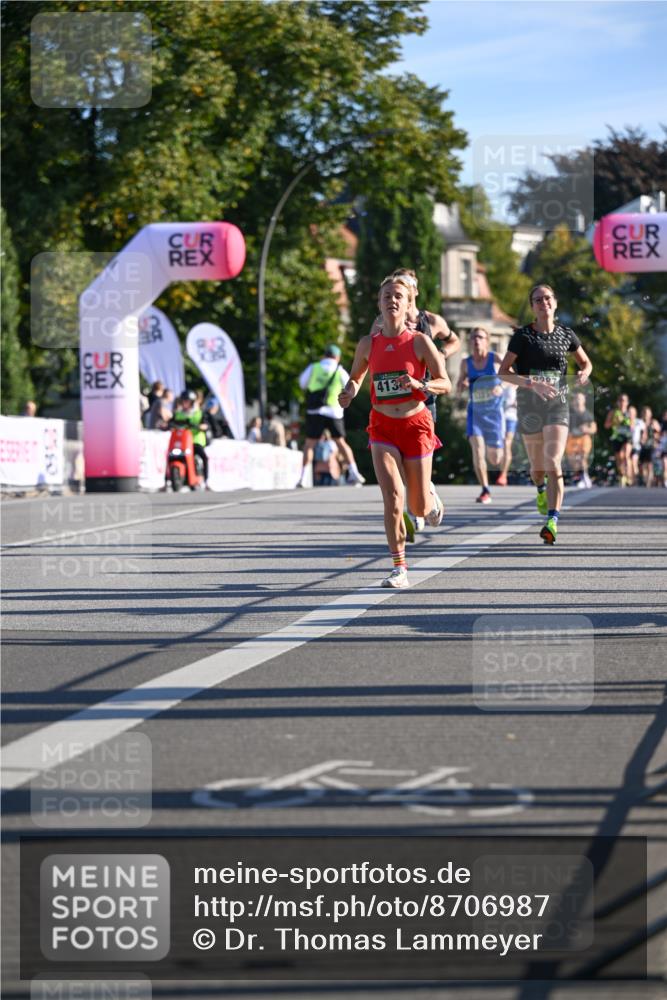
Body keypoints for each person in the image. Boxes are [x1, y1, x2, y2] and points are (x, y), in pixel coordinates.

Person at [339, 274, 451, 588]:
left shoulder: (419, 341)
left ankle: (429, 496)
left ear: (407, 304)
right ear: (379, 303)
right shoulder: (367, 343)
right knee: (392, 496)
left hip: (416, 425)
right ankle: (399, 567)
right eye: (387, 294)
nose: (392, 299)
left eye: (398, 296)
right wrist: (349, 391)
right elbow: (356, 377)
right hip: (382, 426)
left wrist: (422, 385)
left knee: (417, 507)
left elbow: (446, 383)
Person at [498, 283, 592, 545]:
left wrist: (585, 372)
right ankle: (540, 489)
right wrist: (532, 383)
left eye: (548, 298)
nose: (543, 303)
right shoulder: (523, 337)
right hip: (529, 405)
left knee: (552, 462)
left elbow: (585, 362)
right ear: (533, 307)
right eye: (538, 300)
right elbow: (503, 372)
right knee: (537, 469)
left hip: (557, 404)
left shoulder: (566, 334)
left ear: (555, 302)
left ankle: (552, 520)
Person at [370, 267, 460, 536]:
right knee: (395, 464)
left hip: (425, 396)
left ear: (415, 292)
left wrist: (440, 353)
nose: (397, 294)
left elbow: (454, 340)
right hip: (389, 405)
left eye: (407, 285)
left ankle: (421, 499)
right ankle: (413, 502)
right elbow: (374, 352)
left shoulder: (431, 321)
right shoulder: (382, 320)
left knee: (414, 455)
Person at [297, 344, 365, 487]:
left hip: (315, 410)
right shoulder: (339, 370)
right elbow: (349, 385)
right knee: (341, 442)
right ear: (337, 357)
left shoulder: (314, 367)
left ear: (325, 355)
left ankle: (303, 477)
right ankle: (354, 472)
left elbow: (302, 383)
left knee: (310, 444)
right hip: (334, 411)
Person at [457, 327, 505, 504]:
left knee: (495, 458)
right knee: (477, 451)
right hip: (475, 414)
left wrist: (502, 387)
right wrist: (462, 383)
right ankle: (485, 489)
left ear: (487, 340)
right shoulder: (466, 363)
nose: (476, 340)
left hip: (494, 416)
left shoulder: (496, 359)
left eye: (480, 337)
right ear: (470, 342)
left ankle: (500, 460)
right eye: (473, 337)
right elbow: (459, 385)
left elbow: (514, 379)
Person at [172, 389, 209, 485]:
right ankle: (167, 480)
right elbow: (171, 422)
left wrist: (200, 426)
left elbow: (205, 425)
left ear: (192, 402)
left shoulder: (199, 413)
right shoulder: (178, 413)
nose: (185, 403)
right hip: (181, 442)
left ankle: (206, 480)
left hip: (196, 441)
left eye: (187, 401)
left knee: (203, 457)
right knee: (169, 456)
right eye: (184, 401)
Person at [565, 390, 597, 488]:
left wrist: (586, 428)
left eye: (580, 399)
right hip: (571, 439)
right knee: (573, 461)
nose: (578, 401)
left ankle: (584, 477)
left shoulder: (587, 414)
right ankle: (580, 477)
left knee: (582, 457)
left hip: (584, 438)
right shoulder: (570, 413)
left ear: (584, 401)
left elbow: (594, 428)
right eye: (576, 399)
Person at [604, 393, 632, 486]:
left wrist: (626, 422)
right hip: (617, 437)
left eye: (624, 400)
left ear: (627, 402)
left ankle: (628, 476)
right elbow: (606, 425)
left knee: (626, 456)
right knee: (619, 458)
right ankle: (622, 475)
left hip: (627, 437)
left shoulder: (630, 412)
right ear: (617, 402)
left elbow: (633, 426)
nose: (622, 402)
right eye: (620, 400)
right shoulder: (613, 412)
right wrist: (614, 422)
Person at [497, 383, 517, 486]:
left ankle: (503, 475)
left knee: (506, 444)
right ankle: (499, 467)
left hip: (510, 417)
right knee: (496, 447)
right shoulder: (495, 378)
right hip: (496, 417)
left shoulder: (515, 381)